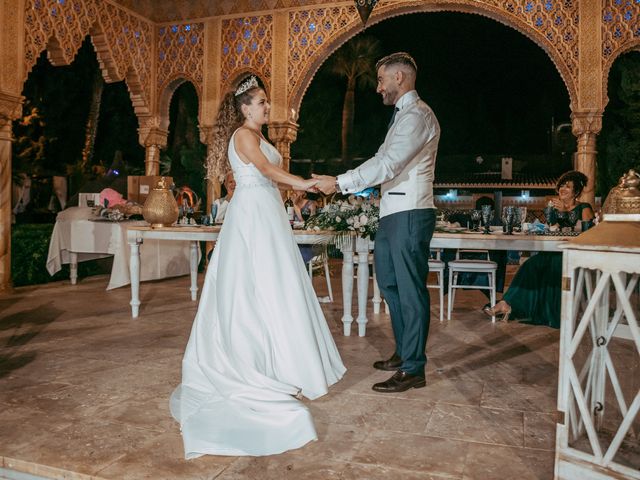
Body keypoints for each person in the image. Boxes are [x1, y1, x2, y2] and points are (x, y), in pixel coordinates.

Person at [170, 75, 346, 458]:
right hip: (252, 218)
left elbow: (271, 173)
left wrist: (300, 184)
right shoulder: (243, 136)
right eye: (262, 102)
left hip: (267, 216)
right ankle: (256, 368)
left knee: (276, 290)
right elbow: (267, 172)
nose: (268, 107)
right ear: (245, 107)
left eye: (266, 101)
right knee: (253, 291)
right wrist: (306, 183)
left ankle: (284, 368)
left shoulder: (259, 137)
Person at [314, 52, 439, 393]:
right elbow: (380, 160)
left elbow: (389, 165)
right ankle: (404, 352)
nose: (378, 87)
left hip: (410, 213)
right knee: (389, 286)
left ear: (400, 78)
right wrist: (349, 182)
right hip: (392, 213)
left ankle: (414, 368)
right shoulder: (401, 118)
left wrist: (338, 183)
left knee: (410, 290)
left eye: (382, 79)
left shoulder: (417, 116)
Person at [484, 171, 595, 328]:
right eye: (562, 185)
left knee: (556, 265)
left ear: (576, 192)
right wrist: (553, 216)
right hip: (552, 251)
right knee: (530, 264)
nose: (563, 188)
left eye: (568, 186)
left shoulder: (584, 208)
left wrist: (565, 211)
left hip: (573, 253)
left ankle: (552, 313)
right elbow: (553, 230)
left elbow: (587, 235)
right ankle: (506, 303)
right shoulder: (555, 208)